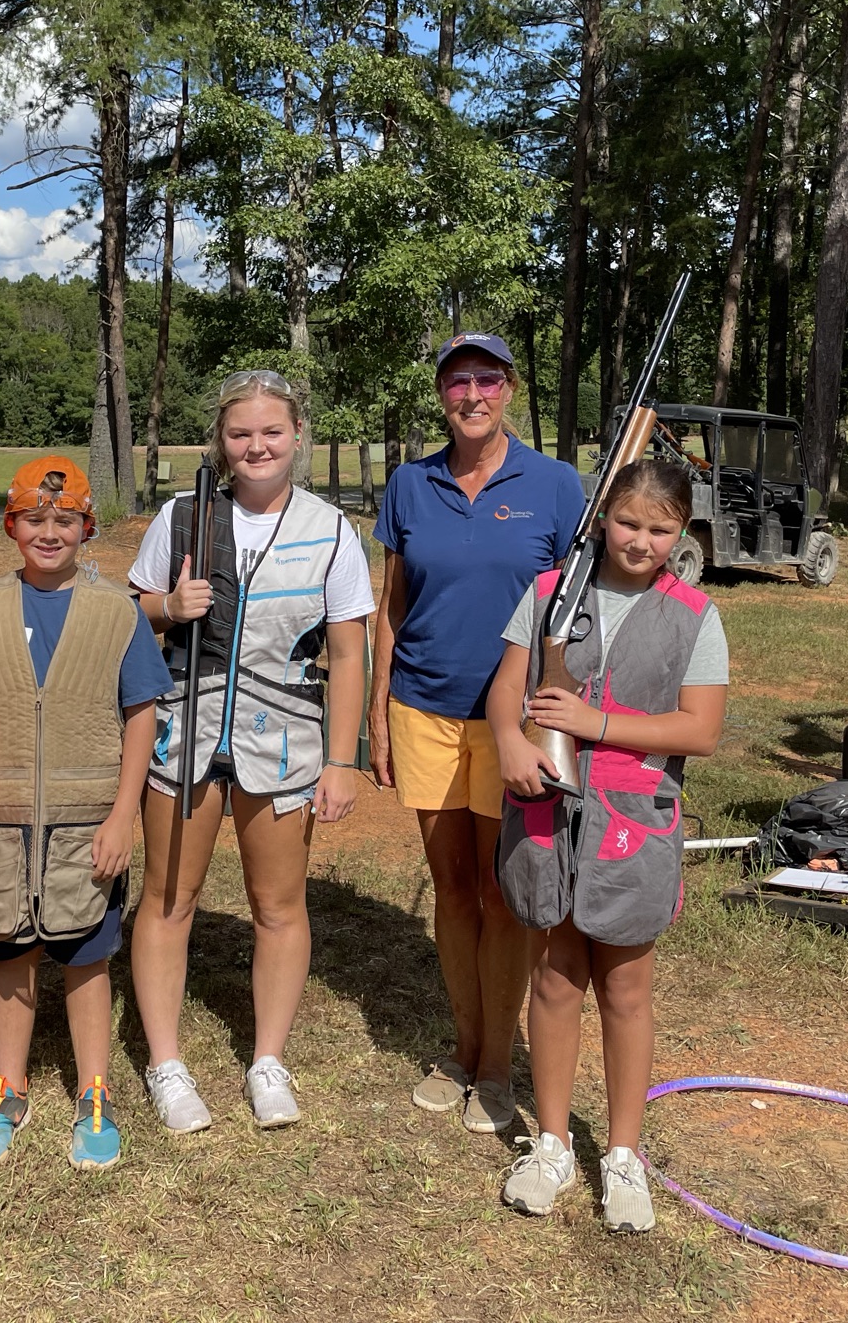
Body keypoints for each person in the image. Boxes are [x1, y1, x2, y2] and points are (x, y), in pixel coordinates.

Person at [127, 370, 374, 1132]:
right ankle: (167, 1065)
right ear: (221, 442)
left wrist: (342, 759)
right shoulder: (180, 518)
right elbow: (132, 617)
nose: (256, 445)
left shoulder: (333, 529)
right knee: (170, 897)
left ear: (297, 435)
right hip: (184, 734)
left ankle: (268, 1059)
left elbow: (349, 652)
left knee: (277, 906)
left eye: (272, 431)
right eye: (241, 433)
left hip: (285, 742)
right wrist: (168, 606)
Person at [486, 460, 728, 1229]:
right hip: (548, 811)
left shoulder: (696, 614)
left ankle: (623, 1155)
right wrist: (508, 743)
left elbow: (701, 729)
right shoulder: (550, 591)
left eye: (660, 530)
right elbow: (506, 687)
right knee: (555, 980)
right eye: (628, 523)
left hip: (633, 820)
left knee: (625, 989)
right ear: (602, 521)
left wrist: (597, 726)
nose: (641, 541)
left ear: (680, 534)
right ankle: (553, 1143)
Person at [369, 333, 585, 1136]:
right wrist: (376, 713)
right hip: (423, 710)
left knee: (505, 894)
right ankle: (462, 1051)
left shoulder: (557, 486)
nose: (471, 394)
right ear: (440, 394)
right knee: (454, 888)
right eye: (456, 381)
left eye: (486, 379)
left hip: (515, 723)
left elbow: (576, 613)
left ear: (510, 389)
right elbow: (391, 608)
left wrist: (558, 714)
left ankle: (499, 1064)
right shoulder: (409, 483)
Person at [0, 457, 168, 1171]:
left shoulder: (116, 612)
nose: (51, 534)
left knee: (86, 955)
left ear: (88, 528)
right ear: (11, 526)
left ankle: (93, 1091)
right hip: (1, 817)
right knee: (9, 953)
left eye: (66, 520)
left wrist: (122, 816)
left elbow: (141, 713)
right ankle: (8, 1089)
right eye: (35, 520)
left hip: (88, 820)